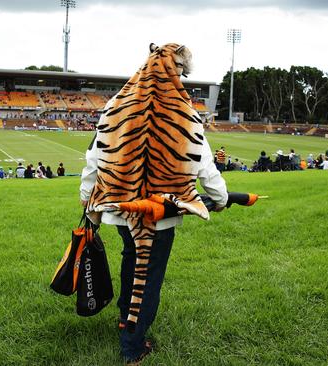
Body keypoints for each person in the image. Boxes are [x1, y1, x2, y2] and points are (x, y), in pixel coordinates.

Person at [79, 43, 228, 364]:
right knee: (148, 274)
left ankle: (125, 317)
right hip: (160, 213)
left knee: (131, 258)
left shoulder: (117, 103)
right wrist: (220, 198)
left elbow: (95, 157)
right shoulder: (183, 109)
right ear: (178, 72)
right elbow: (204, 164)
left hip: (121, 208)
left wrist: (87, 200)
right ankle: (132, 345)